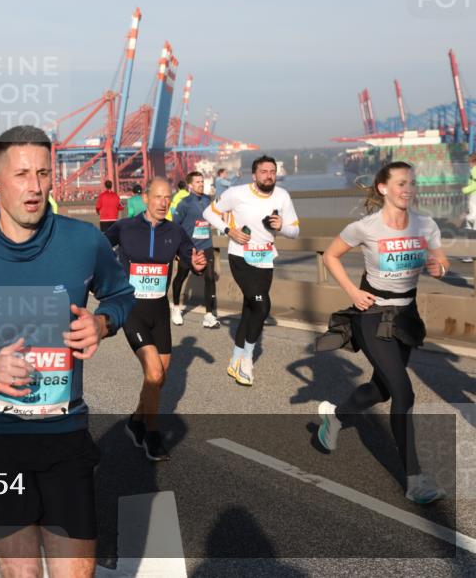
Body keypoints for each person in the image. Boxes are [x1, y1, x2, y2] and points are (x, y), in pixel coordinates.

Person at [0, 125, 134, 576]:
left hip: (65, 435)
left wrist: (103, 321)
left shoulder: (84, 242)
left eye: (42, 173)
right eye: (21, 175)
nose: (34, 187)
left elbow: (122, 295)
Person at [315, 162, 449, 504]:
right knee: (404, 392)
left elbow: (440, 259)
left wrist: (439, 265)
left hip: (407, 315)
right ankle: (415, 480)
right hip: (373, 315)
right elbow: (330, 256)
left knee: (382, 390)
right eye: (401, 183)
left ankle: (336, 416)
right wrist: (353, 293)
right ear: (383, 188)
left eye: (412, 184)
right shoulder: (366, 227)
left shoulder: (425, 225)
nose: (408, 189)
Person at [106, 177, 206, 460]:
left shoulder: (174, 231)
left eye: (167, 198)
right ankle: (152, 434)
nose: (163, 203)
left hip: (159, 311)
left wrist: (196, 264)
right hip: (132, 309)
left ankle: (136, 420)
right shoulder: (125, 227)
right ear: (146, 198)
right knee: (153, 372)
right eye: (158, 197)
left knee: (158, 379)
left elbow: (189, 255)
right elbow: (99, 249)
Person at [203, 155, 300, 386]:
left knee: (250, 309)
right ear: (254, 175)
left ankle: (234, 360)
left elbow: (295, 231)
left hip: (266, 259)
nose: (269, 175)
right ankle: (247, 359)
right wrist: (230, 230)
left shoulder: (283, 196)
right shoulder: (236, 193)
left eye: (273, 171)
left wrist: (281, 227)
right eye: (264, 171)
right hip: (241, 257)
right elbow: (209, 213)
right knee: (262, 305)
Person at [169, 171, 220, 328]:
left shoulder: (207, 200)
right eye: (197, 182)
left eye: (202, 181)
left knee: (210, 278)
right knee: (181, 277)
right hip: (189, 248)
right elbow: (175, 226)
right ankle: (176, 307)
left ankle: (209, 315)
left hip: (206, 246)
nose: (201, 184)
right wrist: (177, 250)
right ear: (190, 185)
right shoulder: (184, 203)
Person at [463, 153, 476, 262]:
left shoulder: (474, 170)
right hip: (473, 197)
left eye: (470, 161)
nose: (469, 163)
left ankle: (470, 254)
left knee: (470, 223)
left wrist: (465, 190)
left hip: (474, 196)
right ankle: (470, 254)